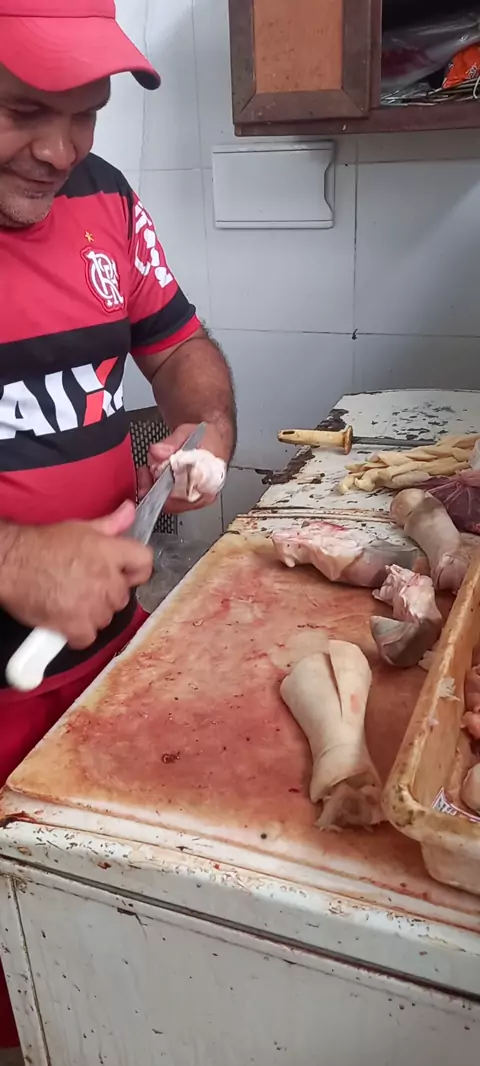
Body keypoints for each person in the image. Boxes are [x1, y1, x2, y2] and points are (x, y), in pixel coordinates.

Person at [0, 0, 236, 1050]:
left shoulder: (101, 194)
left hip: (102, 663)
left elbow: (178, 347)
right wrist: (12, 557)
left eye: (85, 112)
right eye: (23, 110)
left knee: (104, 961)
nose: (62, 151)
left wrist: (207, 427)